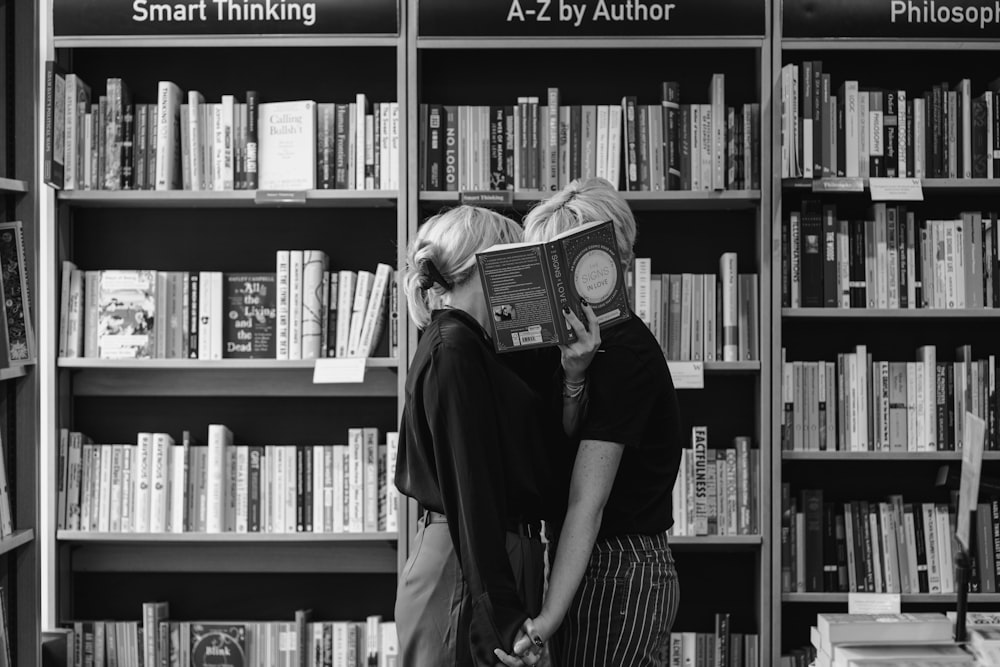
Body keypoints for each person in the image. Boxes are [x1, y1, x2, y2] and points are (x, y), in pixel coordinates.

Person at [393, 205, 600, 667]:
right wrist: (501, 616)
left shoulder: (481, 347)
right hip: (468, 564)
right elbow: (472, 493)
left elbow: (538, 461)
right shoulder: (454, 348)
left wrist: (573, 374)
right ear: (490, 263)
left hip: (496, 560)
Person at [496, 177, 684, 667]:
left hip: (617, 568)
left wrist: (544, 624)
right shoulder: (584, 349)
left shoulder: (625, 352)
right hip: (591, 562)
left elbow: (588, 501)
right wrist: (573, 374)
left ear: (618, 260)